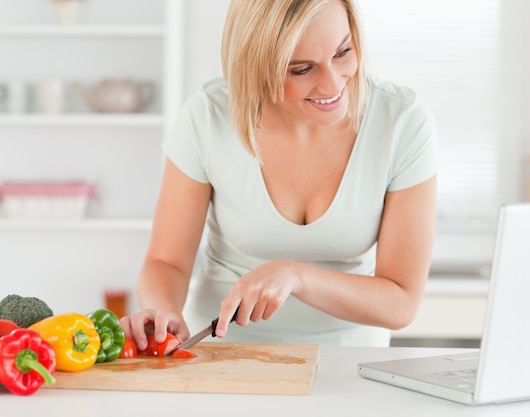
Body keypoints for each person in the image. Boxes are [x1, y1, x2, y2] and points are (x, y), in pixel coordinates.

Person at [120, 0, 438, 350]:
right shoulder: (208, 116)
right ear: (256, 66)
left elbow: (401, 302)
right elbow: (166, 261)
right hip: (222, 352)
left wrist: (295, 275)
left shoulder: (402, 121)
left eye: (343, 52)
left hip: (351, 360)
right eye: (302, 70)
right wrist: (164, 311)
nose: (333, 83)